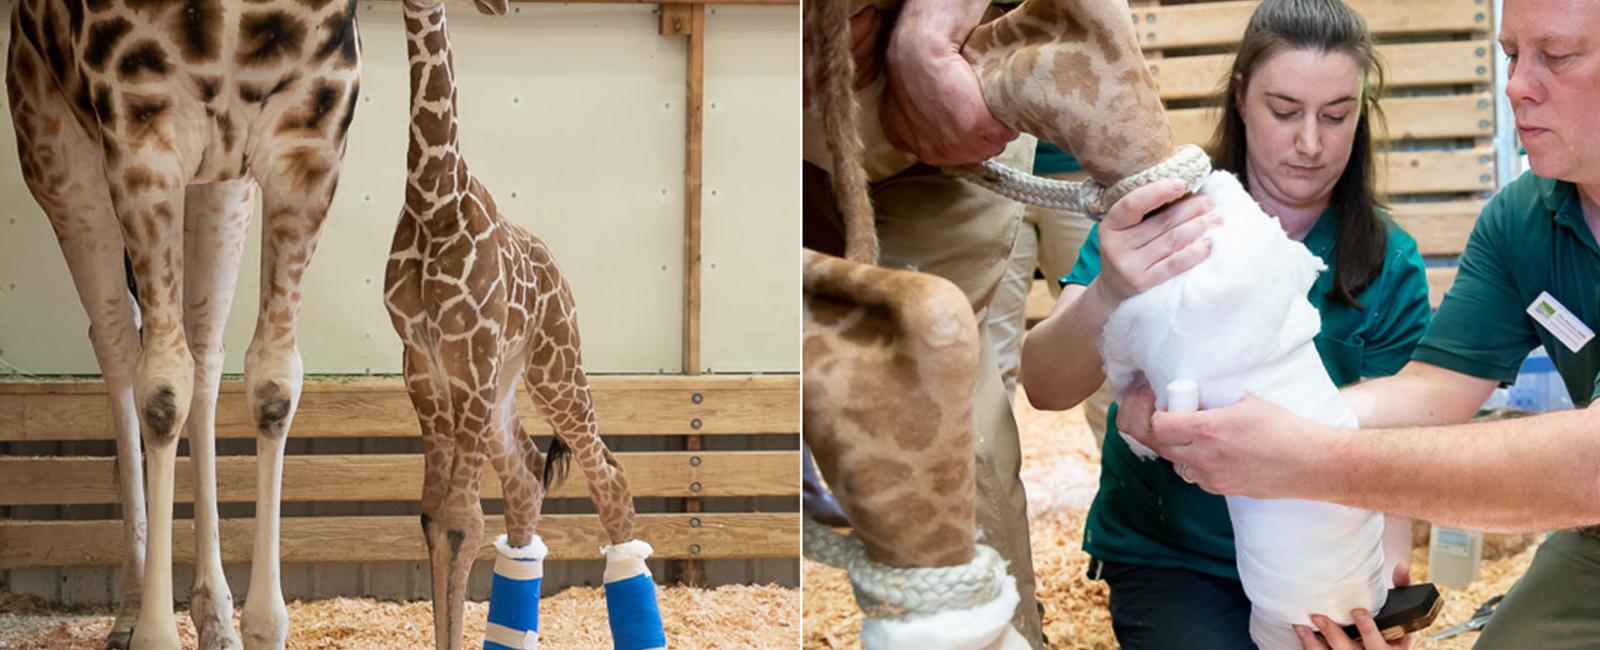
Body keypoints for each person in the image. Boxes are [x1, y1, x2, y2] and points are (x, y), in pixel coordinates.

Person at [1129, 0, 1600, 647]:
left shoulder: (1387, 254)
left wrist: (1310, 456)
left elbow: (1589, 466)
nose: (1517, 83)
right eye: (1512, 54)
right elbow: (1435, 389)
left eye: (1558, 55)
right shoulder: (1522, 219)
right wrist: (1262, 420)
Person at [1018, 0, 1430, 647]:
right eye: (1285, 110)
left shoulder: (1390, 261)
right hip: (1174, 550)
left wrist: (1376, 590)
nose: (1311, 143)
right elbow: (1044, 385)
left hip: (1316, 557)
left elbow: (1394, 455)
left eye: (1337, 115)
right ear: (1241, 98)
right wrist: (1110, 290)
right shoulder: (1167, 215)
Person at [802, 0, 1044, 644]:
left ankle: (986, 630)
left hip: (939, 135)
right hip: (758, 121)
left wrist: (935, 22)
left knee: (947, 407)